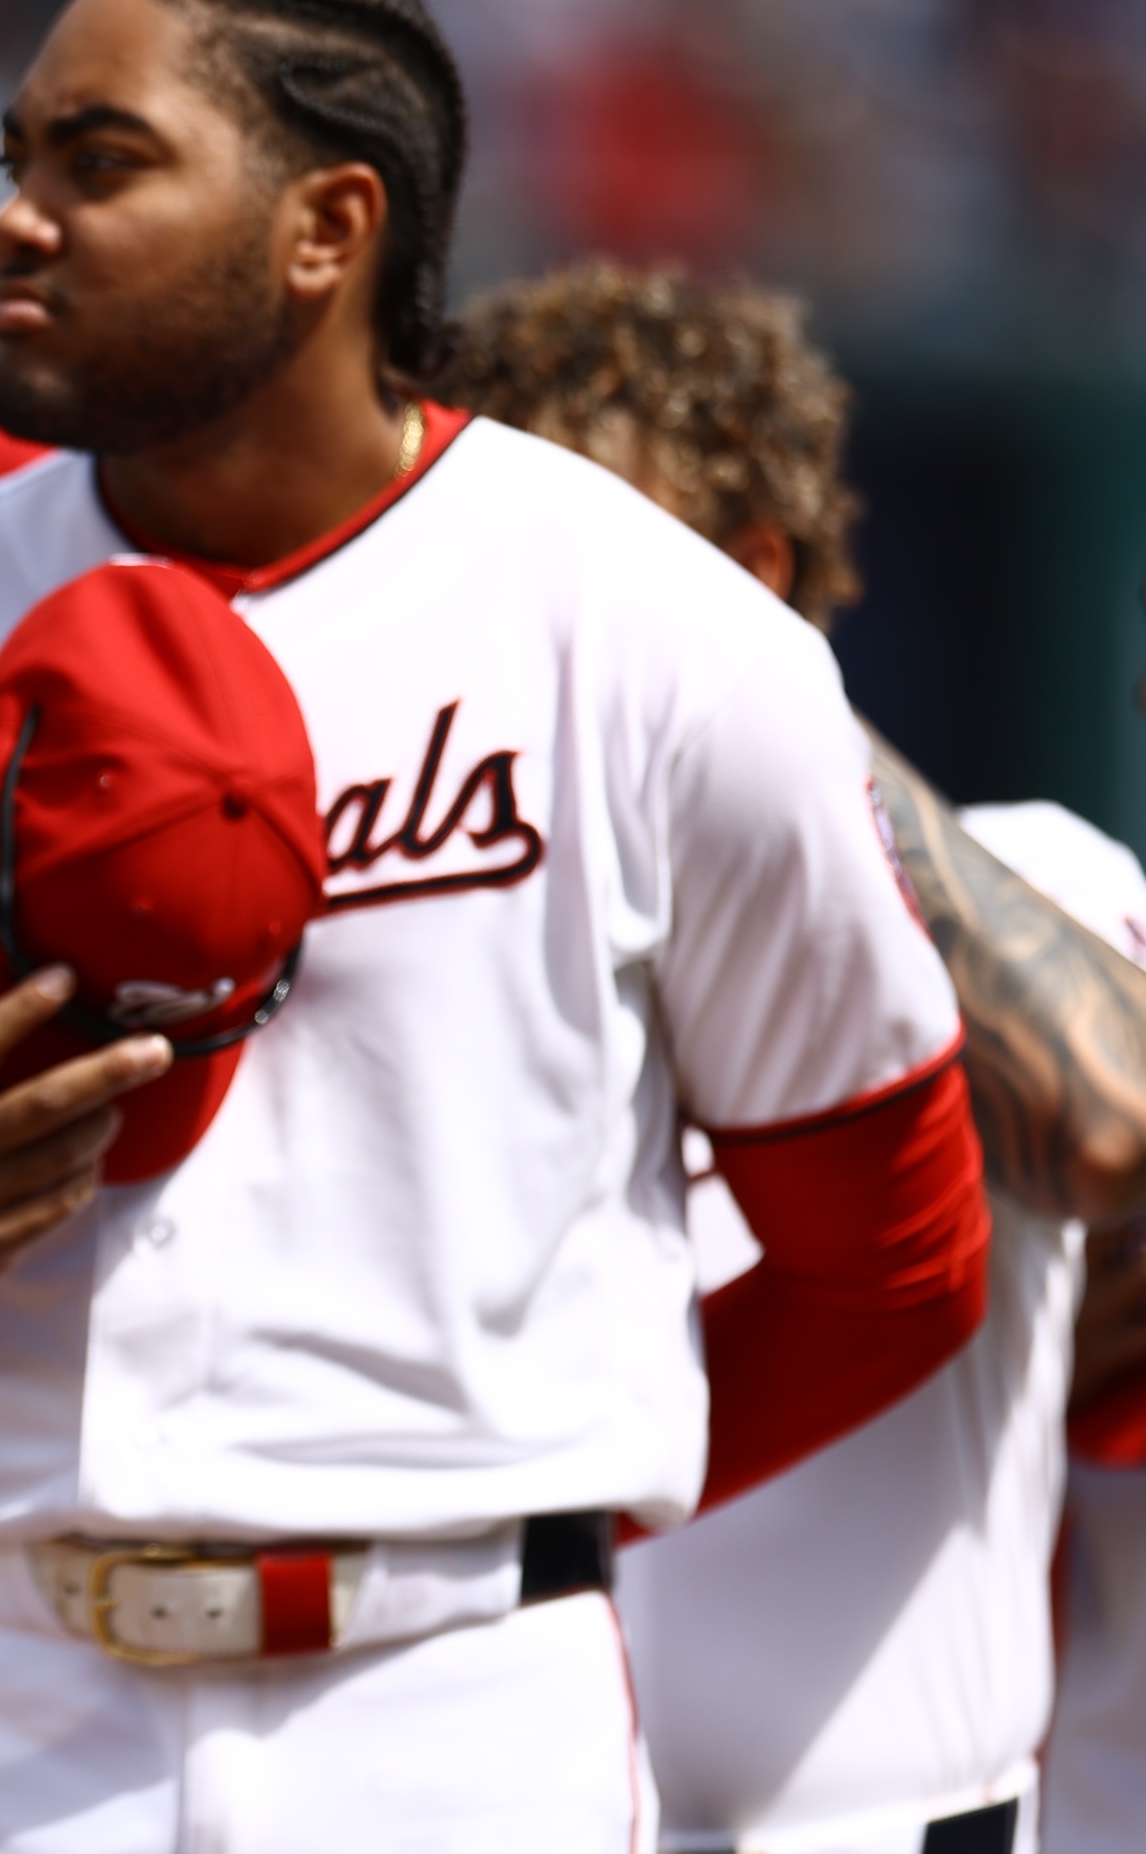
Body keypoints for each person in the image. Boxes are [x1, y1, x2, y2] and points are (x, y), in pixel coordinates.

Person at [0, 0, 988, 1852]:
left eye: (104, 165)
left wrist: (572, 1470)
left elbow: (897, 1248)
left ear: (328, 227)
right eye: (16, 164)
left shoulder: (653, 638)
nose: (20, 219)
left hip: (453, 1703)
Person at [445, 260, 1146, 1854]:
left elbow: (1110, 1120)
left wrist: (755, 705)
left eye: (579, 576)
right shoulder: (434, 948)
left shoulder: (1027, 866)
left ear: (748, 577)